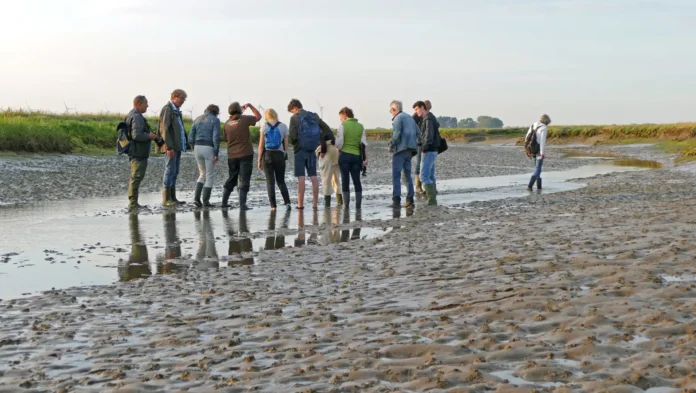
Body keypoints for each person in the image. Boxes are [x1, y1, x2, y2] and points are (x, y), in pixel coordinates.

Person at [287, 99, 332, 210]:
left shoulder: (294, 118)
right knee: (313, 177)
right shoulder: (314, 116)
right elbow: (326, 128)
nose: (292, 113)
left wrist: (296, 145)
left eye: (292, 111)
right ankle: (315, 205)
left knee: (301, 177)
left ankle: (300, 204)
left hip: (300, 151)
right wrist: (323, 143)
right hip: (312, 150)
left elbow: (292, 135)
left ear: (294, 108)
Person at [222, 102, 261, 210]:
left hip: (232, 155)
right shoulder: (244, 119)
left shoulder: (227, 123)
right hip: (245, 154)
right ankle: (242, 205)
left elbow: (225, 139)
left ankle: (224, 202)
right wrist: (250, 106)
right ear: (240, 110)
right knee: (244, 178)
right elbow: (258, 117)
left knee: (232, 178)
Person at [125, 95, 160, 210]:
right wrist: (150, 136)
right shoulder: (137, 117)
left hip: (135, 150)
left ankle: (134, 203)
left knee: (135, 177)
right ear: (139, 104)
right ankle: (133, 204)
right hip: (138, 151)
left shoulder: (131, 115)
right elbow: (136, 135)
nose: (147, 106)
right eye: (146, 104)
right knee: (136, 177)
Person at [257, 108, 291, 211]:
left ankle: (273, 206)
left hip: (267, 155)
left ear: (266, 116)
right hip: (279, 154)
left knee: (270, 182)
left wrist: (259, 160)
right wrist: (284, 153)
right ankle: (287, 203)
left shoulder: (264, 126)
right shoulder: (283, 126)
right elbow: (286, 144)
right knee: (281, 181)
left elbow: (261, 146)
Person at [159, 89, 188, 206]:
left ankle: (173, 197)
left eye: (184, 99)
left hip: (177, 146)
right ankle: (166, 199)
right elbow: (164, 129)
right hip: (171, 147)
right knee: (169, 170)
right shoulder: (168, 109)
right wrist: (169, 147)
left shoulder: (176, 111)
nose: (183, 101)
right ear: (174, 97)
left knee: (175, 171)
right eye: (181, 98)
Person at [189, 104, 221, 208]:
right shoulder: (215, 120)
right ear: (216, 112)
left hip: (197, 146)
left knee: (202, 174)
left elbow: (190, 136)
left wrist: (193, 147)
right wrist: (216, 152)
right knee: (209, 175)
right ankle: (206, 201)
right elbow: (216, 137)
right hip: (208, 147)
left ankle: (196, 199)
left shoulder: (197, 119)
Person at [336, 107, 368, 210]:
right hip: (357, 157)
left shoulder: (343, 126)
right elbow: (363, 144)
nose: (340, 119)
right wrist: (366, 158)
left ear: (345, 115)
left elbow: (339, 143)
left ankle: (346, 205)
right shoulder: (360, 126)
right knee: (356, 180)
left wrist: (338, 148)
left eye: (341, 117)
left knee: (345, 180)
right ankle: (358, 205)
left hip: (344, 155)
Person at [389, 100, 419, 208]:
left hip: (400, 150)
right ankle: (410, 199)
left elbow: (396, 134)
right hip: (410, 150)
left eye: (390, 110)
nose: (391, 113)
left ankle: (396, 200)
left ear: (394, 109)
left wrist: (392, 145)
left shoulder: (398, 118)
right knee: (407, 175)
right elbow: (418, 132)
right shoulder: (410, 118)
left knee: (396, 175)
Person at [415, 100, 441, 206]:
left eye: (417, 109)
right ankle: (432, 199)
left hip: (429, 150)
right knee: (430, 174)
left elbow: (429, 136)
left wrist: (424, 149)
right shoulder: (429, 118)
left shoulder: (428, 119)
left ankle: (431, 200)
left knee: (424, 176)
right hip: (432, 149)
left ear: (422, 107)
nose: (416, 112)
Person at [316, 119, 341, 208]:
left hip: (327, 153)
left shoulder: (317, 129)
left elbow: (322, 142)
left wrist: (322, 151)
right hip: (335, 152)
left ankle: (327, 203)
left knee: (326, 179)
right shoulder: (327, 129)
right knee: (336, 178)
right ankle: (340, 201)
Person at [526, 114, 551, 191]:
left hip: (531, 148)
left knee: (536, 168)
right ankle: (530, 186)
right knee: (538, 168)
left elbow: (527, 137)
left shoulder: (533, 125)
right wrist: (542, 153)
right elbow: (542, 142)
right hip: (538, 150)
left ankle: (539, 187)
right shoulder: (544, 127)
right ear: (546, 121)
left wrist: (527, 149)